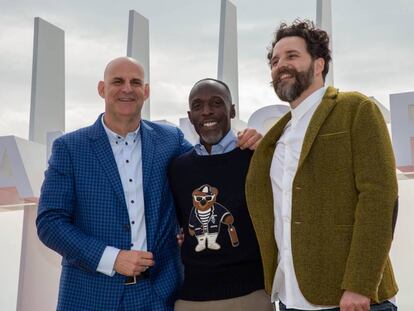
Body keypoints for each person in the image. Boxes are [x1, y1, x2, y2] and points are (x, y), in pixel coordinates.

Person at [36, 57, 260, 311]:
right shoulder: (70, 148)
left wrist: (250, 141)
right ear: (102, 89)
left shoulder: (170, 140)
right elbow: (50, 222)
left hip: (157, 296)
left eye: (135, 82)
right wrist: (111, 258)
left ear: (146, 91)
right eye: (117, 81)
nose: (127, 89)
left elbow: (209, 164)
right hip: (89, 295)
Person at [245, 20, 398, 311]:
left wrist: (359, 285)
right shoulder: (276, 137)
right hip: (289, 298)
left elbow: (380, 198)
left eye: (292, 56)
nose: (281, 65)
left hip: (349, 299)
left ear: (318, 65)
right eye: (275, 61)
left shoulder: (355, 109)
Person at [169, 78, 272, 311]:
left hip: (250, 295)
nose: (206, 111)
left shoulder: (256, 159)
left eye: (216, 103)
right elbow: (177, 224)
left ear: (232, 110)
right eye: (198, 106)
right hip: (192, 298)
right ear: (190, 115)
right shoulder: (178, 168)